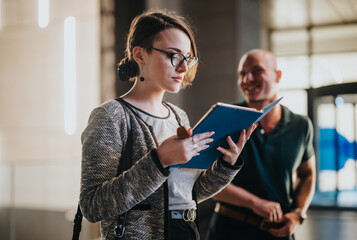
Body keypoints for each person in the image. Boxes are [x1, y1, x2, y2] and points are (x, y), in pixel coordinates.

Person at [79, 9, 257, 240]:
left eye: (187, 57)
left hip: (186, 231)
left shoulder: (178, 116)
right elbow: (92, 206)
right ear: (140, 55)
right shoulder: (111, 116)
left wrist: (227, 165)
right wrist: (159, 160)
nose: (183, 67)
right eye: (173, 55)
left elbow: (190, 194)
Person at [207, 49, 316, 240]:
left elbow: (307, 174)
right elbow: (207, 181)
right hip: (229, 231)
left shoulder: (301, 125)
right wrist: (255, 203)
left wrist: (298, 214)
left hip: (279, 232)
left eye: (257, 71)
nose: (247, 79)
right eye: (242, 74)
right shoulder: (225, 119)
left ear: (278, 76)